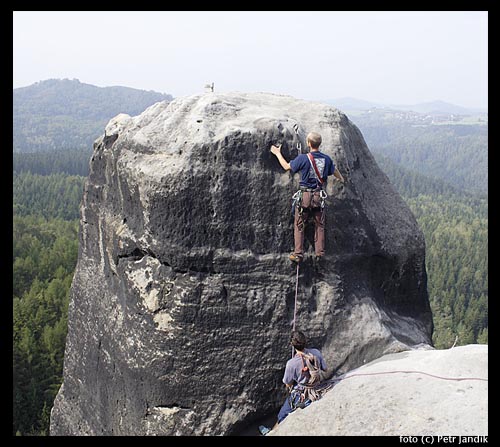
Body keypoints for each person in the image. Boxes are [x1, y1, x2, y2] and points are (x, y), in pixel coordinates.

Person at [270, 131, 344, 263]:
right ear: (319, 144)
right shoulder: (326, 159)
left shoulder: (303, 158)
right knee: (319, 224)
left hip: (304, 197)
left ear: (308, 144)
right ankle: (319, 252)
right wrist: (341, 179)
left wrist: (277, 153)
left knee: (299, 224)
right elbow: (335, 171)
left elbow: (287, 166)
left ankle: (298, 254)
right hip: (318, 197)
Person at [258, 330, 328, 436]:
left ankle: (271, 433)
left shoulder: (291, 363)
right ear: (305, 341)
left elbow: (287, 383)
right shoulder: (316, 352)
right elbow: (325, 369)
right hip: (317, 388)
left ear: (292, 345)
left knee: (282, 414)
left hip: (301, 394)